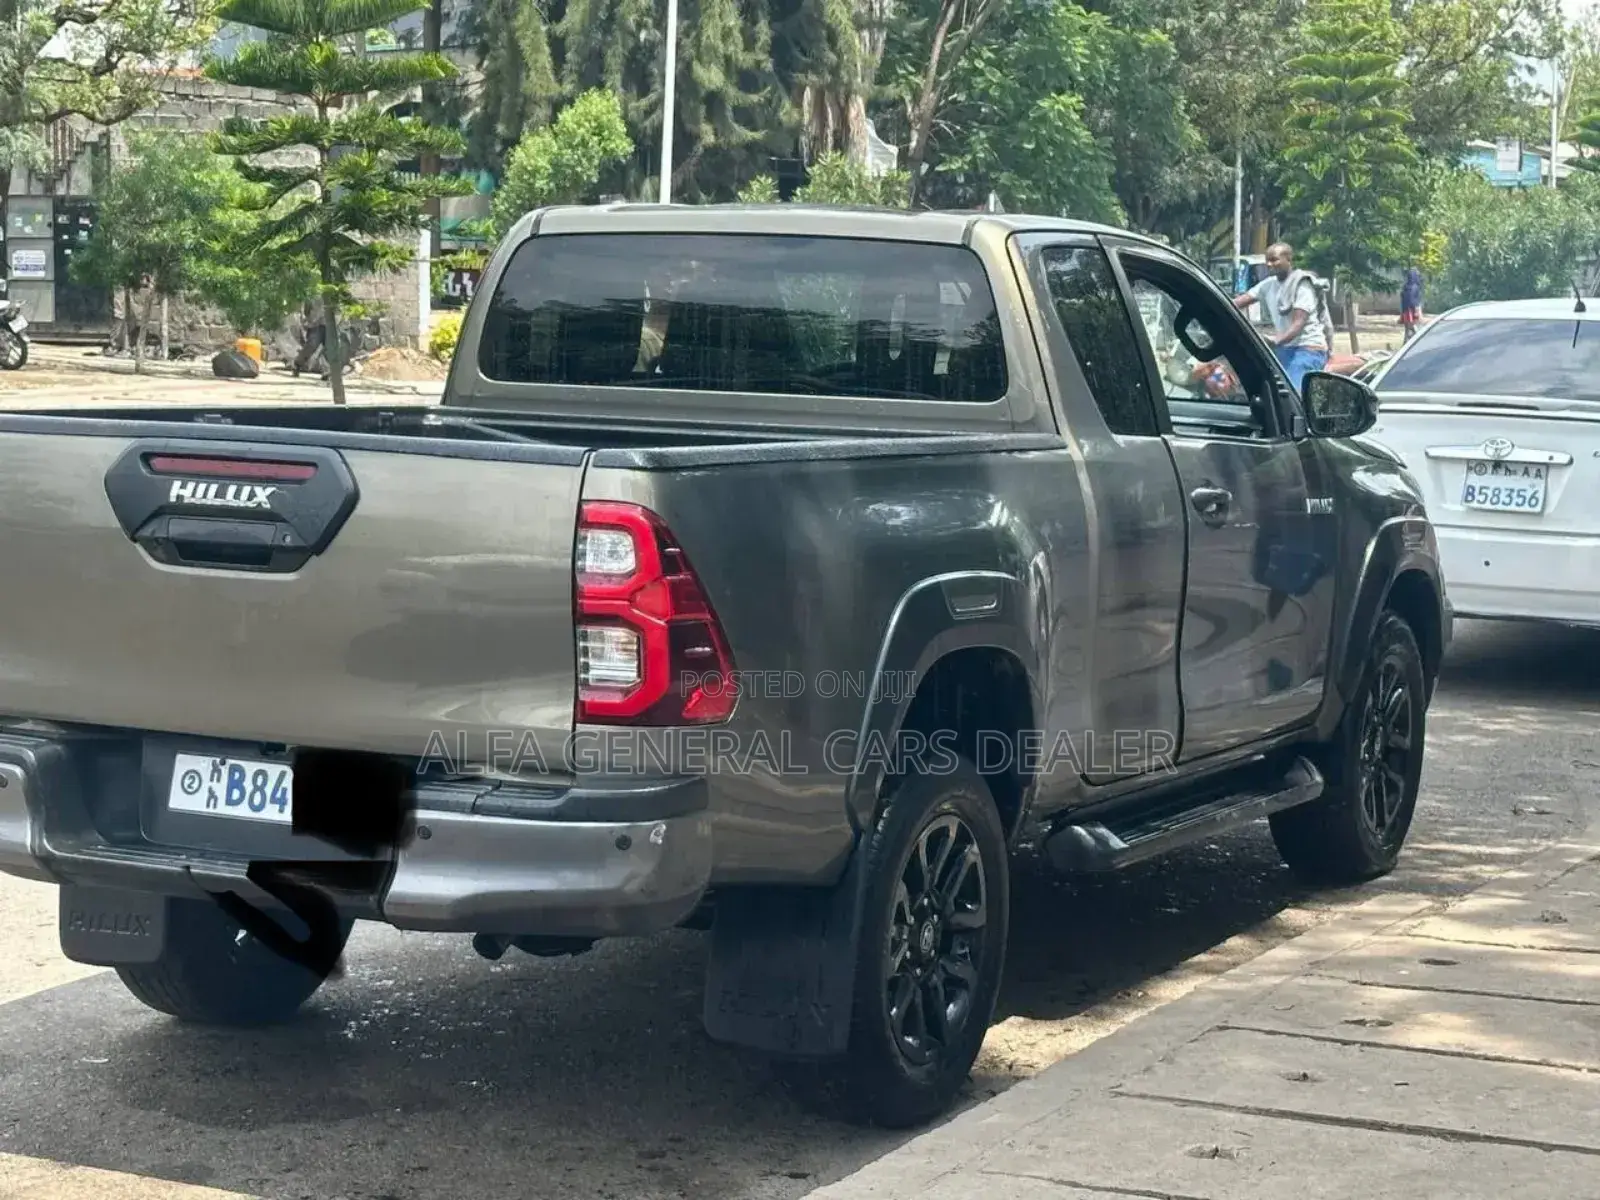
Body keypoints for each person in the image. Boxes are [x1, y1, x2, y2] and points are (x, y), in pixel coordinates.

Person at [1231, 241, 1330, 394]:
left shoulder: (1302, 285)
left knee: (1292, 394)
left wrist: (1276, 340)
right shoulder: (1268, 285)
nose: (1269, 264)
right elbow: (1239, 302)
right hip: (1284, 349)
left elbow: (1298, 323)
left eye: (1274, 260)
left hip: (1307, 349)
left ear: (1289, 260)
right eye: (1267, 261)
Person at [1399, 266, 1423, 342]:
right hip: (1412, 310)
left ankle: (1405, 344)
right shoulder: (1415, 287)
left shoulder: (1405, 287)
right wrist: (1416, 310)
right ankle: (1419, 341)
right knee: (1413, 327)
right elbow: (1413, 300)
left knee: (1407, 329)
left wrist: (1402, 313)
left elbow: (1403, 299)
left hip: (1405, 310)